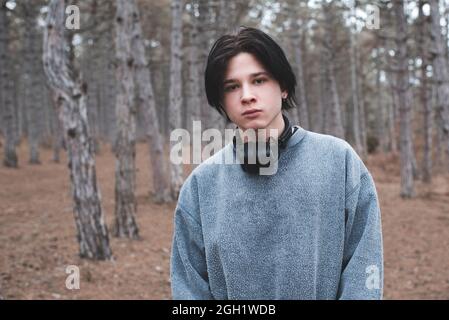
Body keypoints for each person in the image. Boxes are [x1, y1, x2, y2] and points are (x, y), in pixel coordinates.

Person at [170, 26, 383, 300]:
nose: (246, 95)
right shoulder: (200, 186)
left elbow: (364, 273)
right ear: (221, 101)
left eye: (259, 80)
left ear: (283, 87)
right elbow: (189, 290)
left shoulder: (339, 162)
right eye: (232, 86)